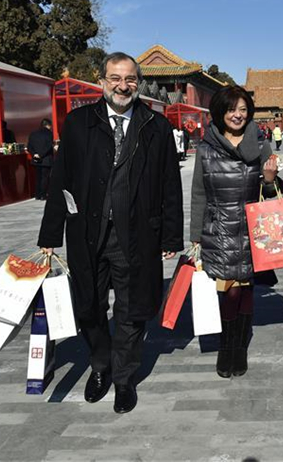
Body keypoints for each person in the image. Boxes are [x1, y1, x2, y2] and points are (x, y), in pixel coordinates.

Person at [37, 52, 183, 414]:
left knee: (132, 311)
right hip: (87, 232)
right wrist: (50, 234)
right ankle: (100, 364)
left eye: (130, 79)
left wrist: (171, 236)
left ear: (138, 83)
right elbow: (61, 180)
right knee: (88, 307)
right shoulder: (78, 123)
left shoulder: (155, 126)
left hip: (137, 234)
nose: (123, 86)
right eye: (115, 78)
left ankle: (123, 378)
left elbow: (169, 185)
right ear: (102, 81)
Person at [188, 85, 280, 378]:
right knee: (227, 290)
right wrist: (195, 234)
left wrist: (268, 179)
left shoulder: (261, 145)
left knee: (246, 288)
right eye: (231, 109)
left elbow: (273, 195)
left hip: (254, 227)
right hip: (219, 227)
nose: (237, 115)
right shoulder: (206, 148)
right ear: (220, 112)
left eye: (243, 109)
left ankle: (240, 347)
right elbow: (198, 193)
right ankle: (226, 345)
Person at [27, 118, 54, 200]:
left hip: (36, 160)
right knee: (45, 177)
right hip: (45, 159)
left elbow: (29, 147)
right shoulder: (49, 133)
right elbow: (48, 147)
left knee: (38, 177)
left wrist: (34, 154)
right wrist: (41, 155)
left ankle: (37, 194)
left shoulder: (33, 133)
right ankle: (43, 194)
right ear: (49, 125)